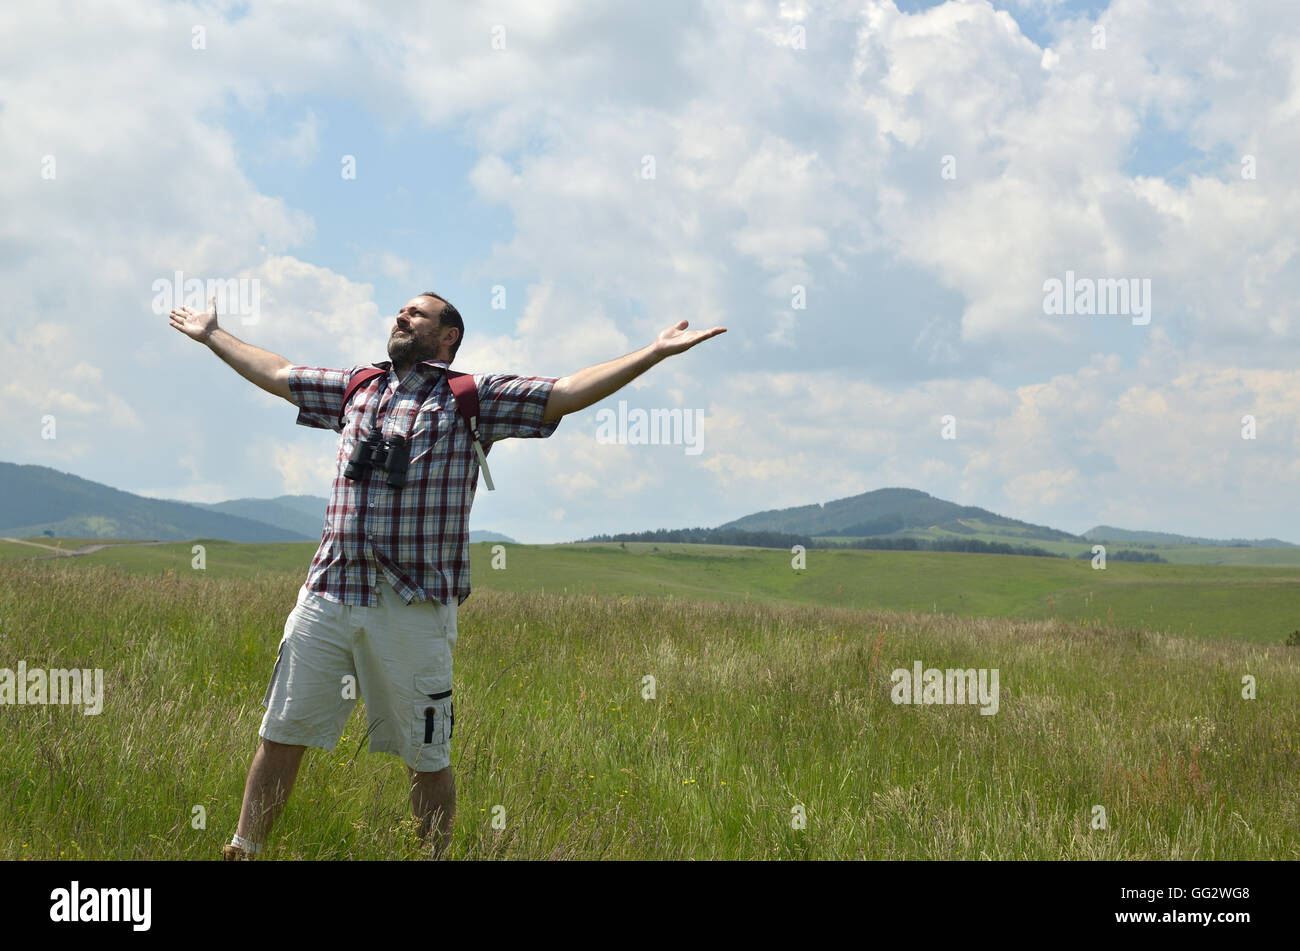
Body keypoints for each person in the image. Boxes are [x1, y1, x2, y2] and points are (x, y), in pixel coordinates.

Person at [168, 291, 725, 859]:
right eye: (400, 311)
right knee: (281, 732)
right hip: (329, 592)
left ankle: (431, 858)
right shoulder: (358, 386)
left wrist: (653, 352)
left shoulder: (471, 397)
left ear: (448, 335)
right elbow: (279, 373)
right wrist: (214, 334)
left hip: (412, 605)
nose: (401, 317)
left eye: (416, 314)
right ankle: (244, 850)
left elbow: (564, 393)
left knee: (426, 756)